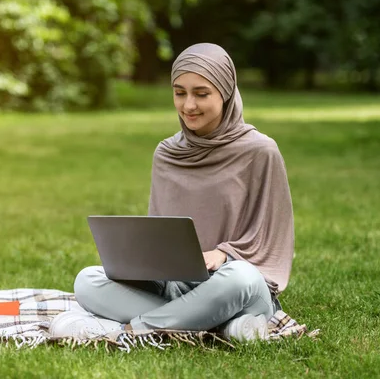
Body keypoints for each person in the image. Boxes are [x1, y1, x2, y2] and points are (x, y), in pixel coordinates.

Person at [49, 43, 294, 342]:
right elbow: (160, 236)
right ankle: (223, 327)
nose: (189, 105)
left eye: (201, 94)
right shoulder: (167, 153)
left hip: (235, 285)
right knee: (87, 280)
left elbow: (270, 242)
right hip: (174, 286)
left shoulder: (260, 152)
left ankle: (127, 330)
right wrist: (139, 261)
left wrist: (224, 254)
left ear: (226, 92)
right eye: (180, 93)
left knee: (241, 277)